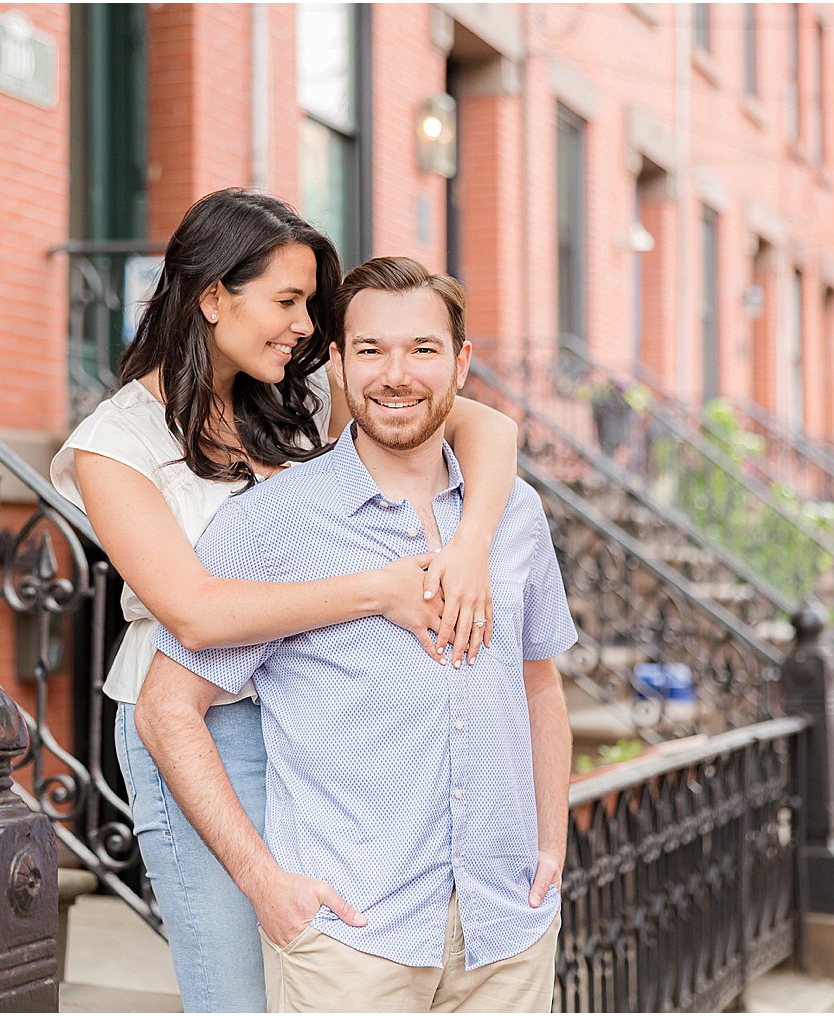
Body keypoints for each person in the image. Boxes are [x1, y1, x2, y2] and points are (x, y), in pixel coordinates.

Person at [49, 191, 521, 1012]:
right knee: (240, 991)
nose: (307, 326)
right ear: (211, 297)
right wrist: (379, 590)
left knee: (330, 978)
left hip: (320, 720)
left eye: (312, 305)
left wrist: (471, 543)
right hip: (203, 725)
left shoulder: (297, 405)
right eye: (288, 302)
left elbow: (483, 428)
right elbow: (193, 610)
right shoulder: (116, 445)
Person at [136, 256, 576, 1013]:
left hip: (507, 931)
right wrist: (264, 883)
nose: (396, 374)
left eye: (423, 350)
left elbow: (539, 682)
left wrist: (551, 849)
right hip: (351, 940)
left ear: (462, 364)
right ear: (336, 363)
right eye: (370, 350)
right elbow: (164, 708)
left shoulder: (515, 517)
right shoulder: (272, 524)